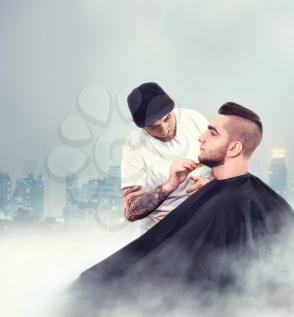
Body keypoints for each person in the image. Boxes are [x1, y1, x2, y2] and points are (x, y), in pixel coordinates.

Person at [67, 102, 294, 315]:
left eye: (212, 132)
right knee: (90, 282)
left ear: (234, 147)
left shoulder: (239, 204)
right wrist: (181, 186)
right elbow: (132, 213)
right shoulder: (136, 148)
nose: (200, 137)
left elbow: (225, 290)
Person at [122, 82, 210, 231]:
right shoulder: (133, 146)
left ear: (170, 98)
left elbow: (224, 160)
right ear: (135, 122)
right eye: (152, 126)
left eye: (167, 118)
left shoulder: (194, 119)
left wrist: (209, 183)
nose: (164, 130)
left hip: (201, 219)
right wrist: (170, 185)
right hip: (161, 229)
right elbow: (130, 211)